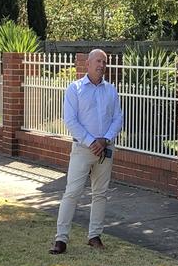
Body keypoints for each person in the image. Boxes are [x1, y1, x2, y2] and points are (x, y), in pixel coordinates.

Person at [49, 49, 123, 254]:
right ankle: (61, 239)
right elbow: (70, 120)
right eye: (98, 61)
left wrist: (105, 140)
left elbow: (118, 118)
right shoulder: (75, 89)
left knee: (100, 194)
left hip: (105, 149)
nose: (101, 65)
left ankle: (94, 236)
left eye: (104, 62)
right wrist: (92, 142)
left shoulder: (111, 90)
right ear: (88, 64)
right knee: (72, 192)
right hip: (83, 149)